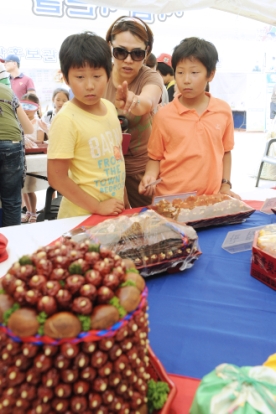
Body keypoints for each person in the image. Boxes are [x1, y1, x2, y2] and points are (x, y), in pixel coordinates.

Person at [138, 37, 240, 200]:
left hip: (209, 200)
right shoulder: (164, 115)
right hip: (170, 200)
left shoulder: (223, 110)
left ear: (210, 74)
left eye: (194, 72)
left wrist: (225, 185)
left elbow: (226, 151)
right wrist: (150, 176)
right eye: (180, 72)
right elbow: (154, 158)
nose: (186, 79)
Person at [47, 31, 126, 219]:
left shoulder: (109, 108)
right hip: (80, 218)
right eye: (80, 77)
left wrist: (125, 203)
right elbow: (57, 177)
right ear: (66, 79)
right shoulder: (66, 119)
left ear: (108, 75)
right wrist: (97, 206)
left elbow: (118, 161)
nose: (89, 85)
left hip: (111, 213)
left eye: (97, 76)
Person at [104, 16, 163, 208]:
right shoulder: (99, 76)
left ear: (146, 53)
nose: (128, 60)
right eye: (120, 52)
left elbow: (147, 102)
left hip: (141, 171)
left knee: (149, 223)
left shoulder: (150, 77)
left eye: (137, 54)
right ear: (109, 47)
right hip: (104, 170)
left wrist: (133, 100)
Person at [0, 83, 33, 226]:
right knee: (12, 201)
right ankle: (12, 243)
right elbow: (29, 128)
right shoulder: (7, 90)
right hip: (11, 144)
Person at [21, 93, 45, 223]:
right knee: (23, 187)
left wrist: (28, 139)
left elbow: (40, 140)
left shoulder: (39, 123)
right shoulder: (19, 123)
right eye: (24, 106)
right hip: (22, 157)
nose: (26, 110)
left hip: (34, 158)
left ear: (36, 108)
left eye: (30, 107)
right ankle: (28, 211)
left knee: (31, 187)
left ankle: (34, 211)